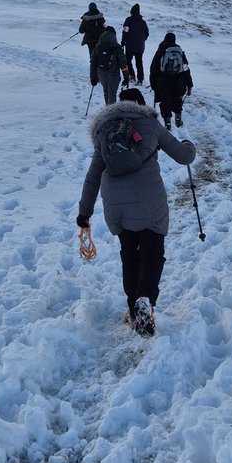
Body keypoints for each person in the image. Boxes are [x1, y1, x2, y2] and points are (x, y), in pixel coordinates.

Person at [77, 87, 196, 336]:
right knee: (153, 254)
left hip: (117, 206)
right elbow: (183, 156)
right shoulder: (150, 124)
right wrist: (188, 145)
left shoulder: (105, 131)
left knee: (129, 255)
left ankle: (133, 310)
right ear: (141, 105)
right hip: (149, 202)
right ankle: (145, 299)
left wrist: (84, 213)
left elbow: (92, 177)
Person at [149, 31, 193, 129]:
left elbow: (153, 69)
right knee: (177, 99)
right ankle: (178, 118)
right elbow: (186, 69)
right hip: (178, 81)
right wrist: (189, 84)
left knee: (165, 101)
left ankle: (167, 123)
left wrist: (153, 84)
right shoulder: (180, 52)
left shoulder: (160, 51)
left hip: (163, 81)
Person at [92, 25, 128, 105]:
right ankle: (111, 113)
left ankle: (108, 110)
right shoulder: (117, 47)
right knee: (112, 93)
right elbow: (123, 63)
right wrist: (126, 77)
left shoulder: (98, 47)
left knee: (106, 91)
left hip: (101, 74)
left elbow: (93, 63)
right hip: (113, 74)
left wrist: (93, 77)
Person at [121, 3, 149, 84]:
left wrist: (123, 41)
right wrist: (142, 40)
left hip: (130, 45)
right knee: (139, 62)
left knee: (127, 61)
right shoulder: (143, 22)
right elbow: (147, 33)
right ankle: (140, 79)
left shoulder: (128, 20)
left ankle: (132, 75)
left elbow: (125, 31)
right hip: (140, 46)